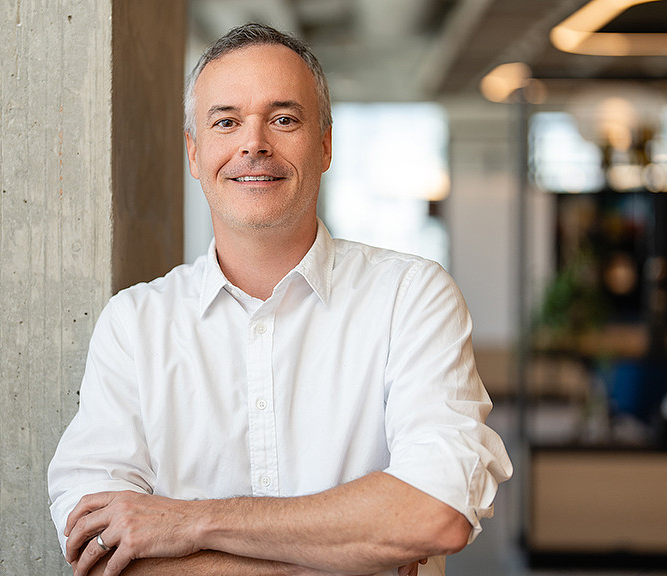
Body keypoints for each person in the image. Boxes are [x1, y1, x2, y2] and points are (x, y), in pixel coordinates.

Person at [48, 23, 513, 576]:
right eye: (226, 122)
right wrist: (353, 558)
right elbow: (98, 552)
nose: (253, 144)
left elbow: (435, 514)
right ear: (195, 154)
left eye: (284, 119)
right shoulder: (134, 324)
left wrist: (186, 523)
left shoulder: (411, 297)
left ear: (325, 145)